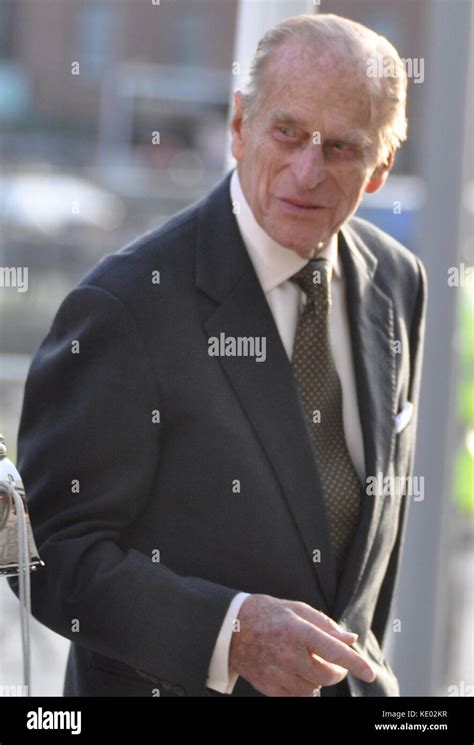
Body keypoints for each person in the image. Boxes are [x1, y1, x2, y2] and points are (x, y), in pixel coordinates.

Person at [9, 13, 427, 697]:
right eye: (286, 132)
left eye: (342, 149)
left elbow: (362, 568)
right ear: (239, 127)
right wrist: (230, 633)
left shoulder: (399, 281)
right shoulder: (127, 304)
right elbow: (48, 553)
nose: (306, 170)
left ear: (382, 167)